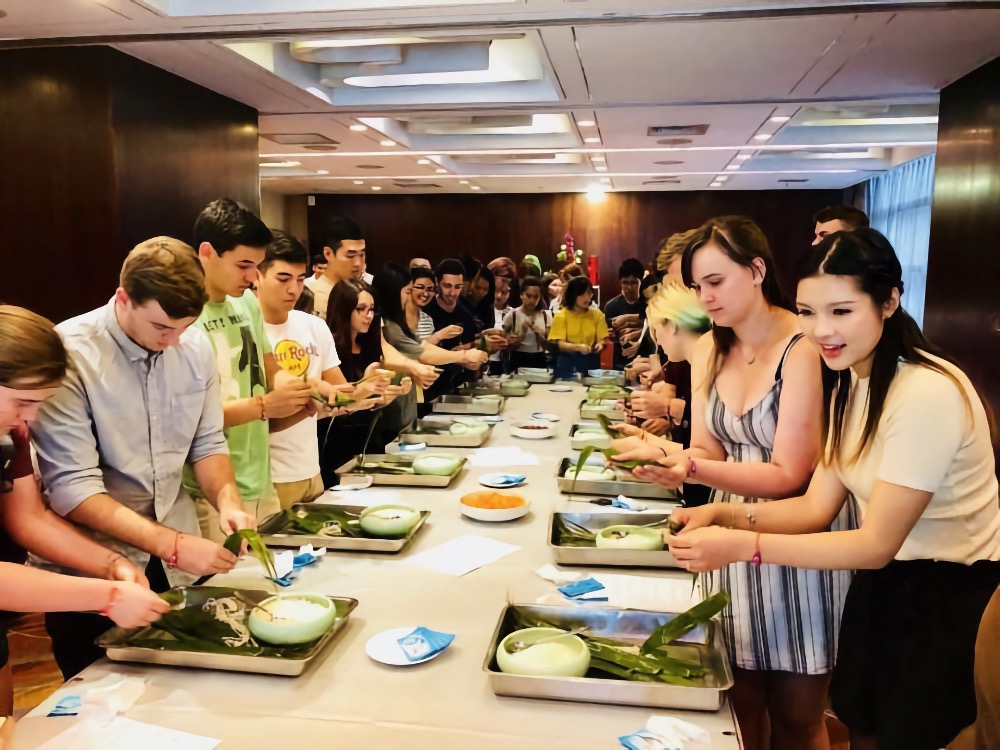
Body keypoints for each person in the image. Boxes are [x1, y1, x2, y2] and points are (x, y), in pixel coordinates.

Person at [667, 228, 1000, 750]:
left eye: (841, 312)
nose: (821, 330)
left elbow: (873, 543)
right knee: (861, 729)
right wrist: (724, 517)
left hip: (947, 598)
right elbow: (817, 507)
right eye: (807, 312)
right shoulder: (852, 381)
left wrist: (744, 545)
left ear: (889, 300)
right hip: (882, 587)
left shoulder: (927, 391)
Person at [612, 216, 853, 750]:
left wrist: (691, 468)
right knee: (736, 707)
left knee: (796, 714)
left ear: (757, 270)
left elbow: (790, 473)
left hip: (796, 536)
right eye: (697, 287)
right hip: (725, 534)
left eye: (716, 282)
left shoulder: (803, 347)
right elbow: (707, 449)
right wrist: (663, 455)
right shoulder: (714, 351)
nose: (706, 298)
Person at [31, 238, 252, 678]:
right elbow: (73, 488)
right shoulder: (70, 353)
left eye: (183, 329)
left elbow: (207, 443)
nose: (172, 343)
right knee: (101, 704)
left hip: (182, 560)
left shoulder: (193, 348)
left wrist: (228, 502)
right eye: (160, 328)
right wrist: (170, 546)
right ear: (123, 298)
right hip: (95, 568)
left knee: (192, 692)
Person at [0, 306, 170, 698]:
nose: (29, 419)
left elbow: (29, 518)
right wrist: (108, 597)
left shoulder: (13, 433)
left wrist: (112, 564)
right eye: (22, 402)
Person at [185, 198, 314, 543]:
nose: (251, 277)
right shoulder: (181, 316)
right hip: (209, 488)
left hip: (259, 473)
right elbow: (188, 417)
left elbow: (270, 368)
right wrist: (265, 407)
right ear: (208, 252)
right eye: (243, 265)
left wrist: (299, 391)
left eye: (257, 266)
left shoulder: (245, 303)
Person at [256, 230, 385, 508]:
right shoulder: (248, 329)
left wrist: (367, 389)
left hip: (310, 469)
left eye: (300, 279)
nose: (294, 289)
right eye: (283, 279)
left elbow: (339, 396)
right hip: (266, 477)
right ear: (257, 275)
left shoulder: (312, 325)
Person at [616, 280, 713, 507]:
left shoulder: (708, 363)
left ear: (672, 325)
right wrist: (644, 439)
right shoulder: (699, 361)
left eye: (656, 331)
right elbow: (700, 452)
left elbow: (719, 458)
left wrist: (653, 449)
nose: (658, 341)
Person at [322, 280, 410, 481]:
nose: (368, 315)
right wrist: (364, 385)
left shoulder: (369, 344)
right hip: (334, 448)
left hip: (367, 444)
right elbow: (336, 405)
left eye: (371, 309)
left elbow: (370, 404)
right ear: (344, 310)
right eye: (360, 309)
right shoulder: (330, 348)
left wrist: (391, 393)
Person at [548, 276, 609, 380]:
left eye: (589, 293)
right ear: (573, 295)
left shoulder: (597, 315)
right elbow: (561, 345)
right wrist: (578, 347)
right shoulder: (561, 315)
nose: (587, 297)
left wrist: (599, 345)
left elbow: (602, 340)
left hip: (590, 362)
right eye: (582, 294)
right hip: (567, 363)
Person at [305, 216, 366, 319]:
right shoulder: (318, 297)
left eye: (361, 255)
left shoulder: (361, 289)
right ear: (328, 253)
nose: (358, 263)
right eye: (350, 255)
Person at [502, 277, 552, 371]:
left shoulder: (546, 316)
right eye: (529, 296)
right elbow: (508, 347)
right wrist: (523, 333)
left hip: (539, 358)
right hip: (518, 358)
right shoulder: (512, 315)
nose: (532, 300)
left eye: (536, 297)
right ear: (521, 295)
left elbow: (550, 346)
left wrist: (541, 334)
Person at [604, 258, 646, 368]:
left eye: (633, 283)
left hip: (643, 360)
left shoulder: (649, 304)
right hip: (618, 362)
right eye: (625, 283)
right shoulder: (611, 306)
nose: (629, 287)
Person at [407, 267, 458, 346]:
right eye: (420, 287)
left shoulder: (427, 320)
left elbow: (430, 353)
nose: (425, 294)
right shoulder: (394, 319)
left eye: (430, 289)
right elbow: (406, 352)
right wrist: (438, 336)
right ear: (408, 288)